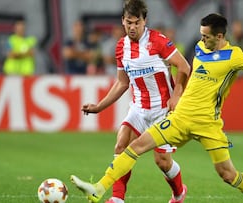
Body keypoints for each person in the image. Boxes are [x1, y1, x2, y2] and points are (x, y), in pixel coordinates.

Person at [71, 13, 243, 203]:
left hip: (207, 123)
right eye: (201, 34)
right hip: (180, 117)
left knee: (227, 174)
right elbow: (187, 72)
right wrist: (178, 93)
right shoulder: (200, 48)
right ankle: (99, 188)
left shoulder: (234, 56)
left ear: (219, 36)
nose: (200, 39)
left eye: (206, 36)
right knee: (136, 146)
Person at [79, 0, 190, 203]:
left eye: (136, 22)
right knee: (120, 146)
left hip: (162, 110)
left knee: (163, 162)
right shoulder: (121, 47)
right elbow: (122, 83)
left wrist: (176, 96)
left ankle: (179, 193)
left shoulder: (158, 41)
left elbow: (184, 67)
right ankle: (117, 199)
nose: (132, 27)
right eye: (128, 22)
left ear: (144, 21)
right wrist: (99, 107)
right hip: (138, 109)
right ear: (122, 21)